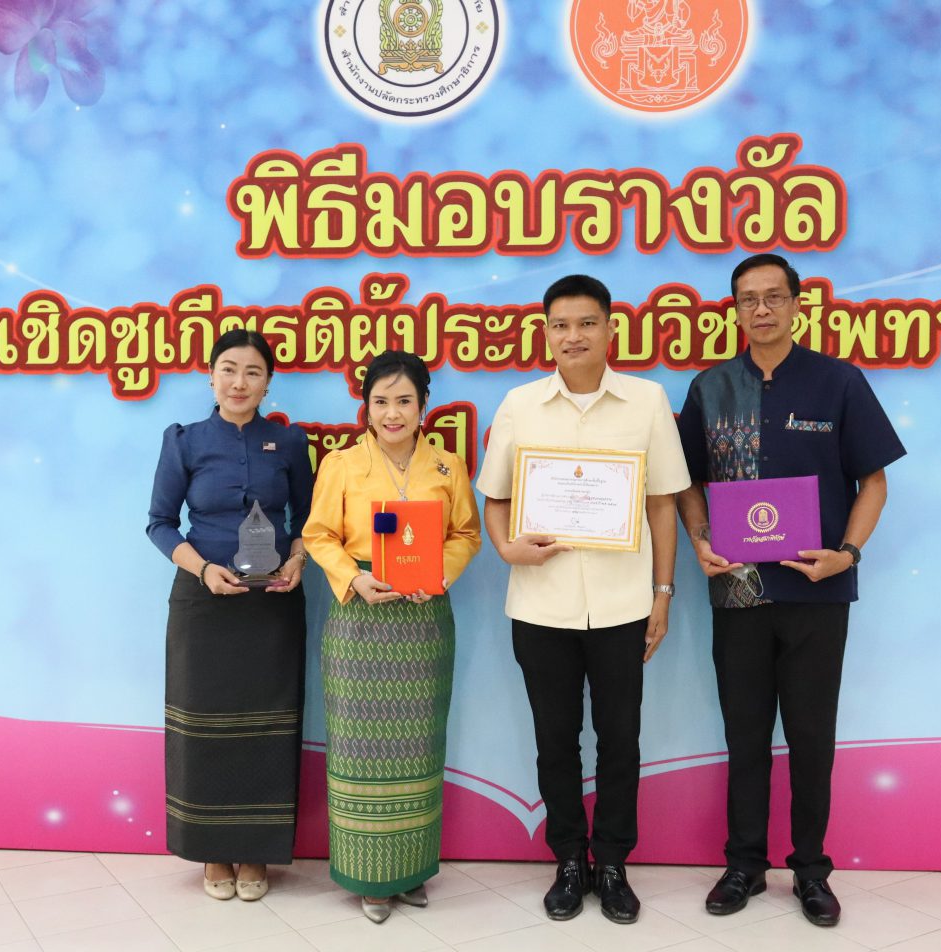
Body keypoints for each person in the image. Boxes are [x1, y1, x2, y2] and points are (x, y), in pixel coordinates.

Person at [676, 253, 906, 927]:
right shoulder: (712, 388)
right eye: (748, 299)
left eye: (774, 297)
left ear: (798, 304)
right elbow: (687, 481)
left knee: (810, 737)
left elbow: (874, 482)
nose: (762, 310)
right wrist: (699, 539)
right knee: (745, 735)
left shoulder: (839, 382)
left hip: (817, 594)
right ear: (735, 311)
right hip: (739, 593)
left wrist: (848, 555)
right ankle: (744, 865)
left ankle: (811, 870)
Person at [476, 274, 690, 925]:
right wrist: (507, 549)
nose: (574, 336)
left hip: (623, 606)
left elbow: (661, 505)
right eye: (561, 325)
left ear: (609, 328)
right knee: (555, 739)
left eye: (587, 323)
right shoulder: (520, 404)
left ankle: (614, 863)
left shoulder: (646, 401)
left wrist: (662, 593)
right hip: (541, 606)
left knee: (621, 739)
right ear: (547, 334)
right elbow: (496, 500)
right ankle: (570, 860)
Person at [302, 350, 481, 924]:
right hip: (360, 619)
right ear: (366, 407)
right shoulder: (342, 465)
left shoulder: (447, 467)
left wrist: (439, 574)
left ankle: (411, 870)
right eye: (381, 402)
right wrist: (353, 577)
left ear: (424, 404)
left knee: (419, 744)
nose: (393, 413)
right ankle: (369, 877)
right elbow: (318, 535)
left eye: (405, 400)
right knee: (361, 747)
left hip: (424, 620)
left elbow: (466, 534)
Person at [147, 328, 312, 901]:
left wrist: (298, 560)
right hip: (203, 601)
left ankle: (257, 851)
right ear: (211, 375)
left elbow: (308, 521)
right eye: (229, 369)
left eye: (253, 372)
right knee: (204, 728)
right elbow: (160, 523)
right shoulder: (185, 441)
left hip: (273, 604)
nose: (240, 382)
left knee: (267, 727)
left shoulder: (288, 442)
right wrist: (203, 569)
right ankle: (212, 851)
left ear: (268, 382)